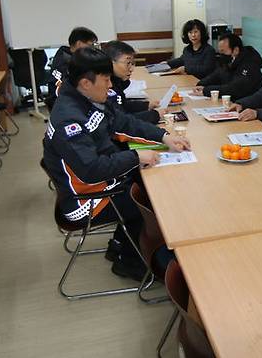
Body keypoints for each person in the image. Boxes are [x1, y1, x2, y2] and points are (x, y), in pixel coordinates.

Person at [42, 47, 190, 280]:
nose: (111, 85)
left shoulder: (88, 98)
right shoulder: (69, 118)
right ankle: (131, 262)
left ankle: (122, 246)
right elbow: (91, 170)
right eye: (106, 79)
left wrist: (163, 137)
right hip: (84, 200)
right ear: (86, 83)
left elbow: (123, 122)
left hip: (100, 184)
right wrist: (136, 157)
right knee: (153, 203)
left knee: (147, 185)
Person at [103, 40, 163, 125]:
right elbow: (121, 122)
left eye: (132, 63)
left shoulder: (117, 83)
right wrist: (154, 115)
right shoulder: (106, 88)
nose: (131, 69)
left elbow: (122, 106)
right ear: (110, 63)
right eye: (127, 63)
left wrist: (147, 105)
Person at [191, 33, 262, 100]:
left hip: (248, 108)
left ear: (235, 50)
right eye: (220, 52)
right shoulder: (230, 62)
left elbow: (234, 88)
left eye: (223, 52)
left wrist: (206, 90)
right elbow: (217, 75)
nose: (221, 55)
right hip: (231, 103)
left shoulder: (249, 65)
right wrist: (201, 84)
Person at [46, 26, 98, 110]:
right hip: (62, 106)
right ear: (79, 44)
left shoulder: (66, 55)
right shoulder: (66, 62)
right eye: (90, 45)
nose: (93, 49)